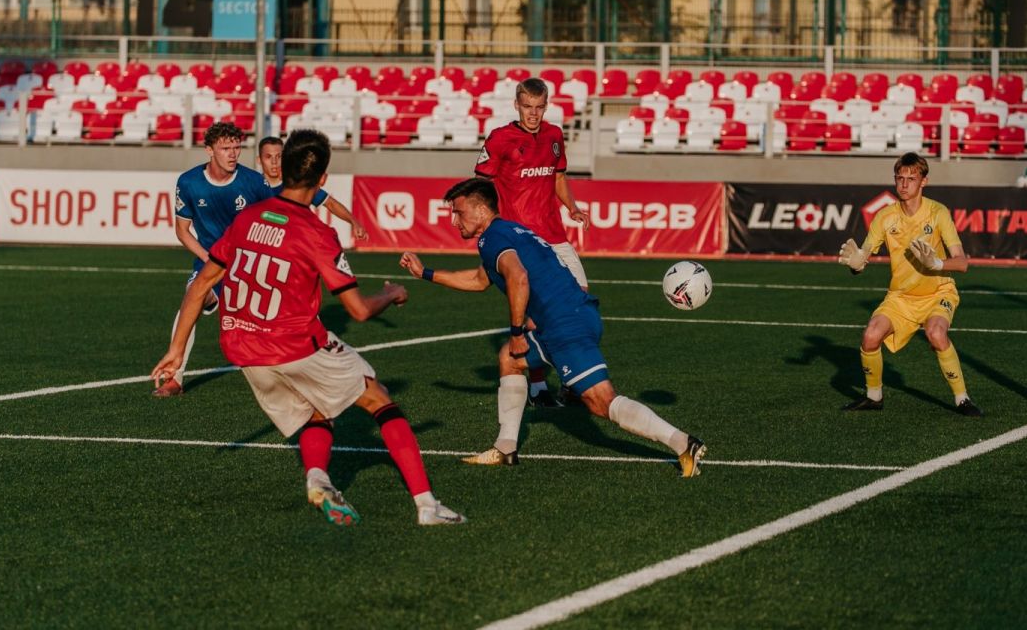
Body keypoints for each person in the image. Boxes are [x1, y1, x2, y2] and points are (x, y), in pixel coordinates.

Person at [151, 129, 465, 526]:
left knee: (318, 411)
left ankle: (318, 478)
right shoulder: (317, 233)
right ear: (323, 178)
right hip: (295, 344)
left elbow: (200, 285)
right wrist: (391, 294)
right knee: (380, 400)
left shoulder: (247, 218)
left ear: (281, 169)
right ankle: (427, 505)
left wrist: (176, 350)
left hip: (244, 350)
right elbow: (358, 310)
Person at [399, 177, 706, 477]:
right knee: (509, 359)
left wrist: (517, 333)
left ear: (481, 210)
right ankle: (505, 448)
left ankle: (683, 443)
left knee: (601, 401)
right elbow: (479, 280)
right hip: (571, 316)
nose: (454, 221)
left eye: (458, 212)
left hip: (565, 324)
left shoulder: (491, 238)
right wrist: (425, 273)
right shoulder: (509, 231)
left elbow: (518, 278)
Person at [156, 124, 347, 397]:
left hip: (250, 263)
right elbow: (182, 231)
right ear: (209, 150)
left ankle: (317, 364)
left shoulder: (254, 182)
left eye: (236, 148)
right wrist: (211, 259)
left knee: (287, 311)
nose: (233, 154)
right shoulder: (188, 182)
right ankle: (173, 377)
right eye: (226, 148)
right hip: (211, 261)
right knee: (192, 299)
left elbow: (279, 214)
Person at [837, 152, 983, 416]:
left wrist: (936, 264)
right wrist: (856, 264)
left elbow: (962, 263)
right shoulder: (885, 217)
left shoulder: (938, 212)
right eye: (899, 178)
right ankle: (873, 397)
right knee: (870, 336)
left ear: (924, 181)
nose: (904, 184)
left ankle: (962, 399)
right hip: (901, 297)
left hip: (937, 292)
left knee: (936, 334)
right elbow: (863, 256)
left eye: (911, 179)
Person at [475, 77, 589, 408]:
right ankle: (539, 387)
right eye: (527, 107)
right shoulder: (500, 139)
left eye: (539, 107)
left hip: (555, 235)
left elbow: (558, 177)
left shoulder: (554, 135)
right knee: (536, 315)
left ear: (546, 106)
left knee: (581, 304)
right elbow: (481, 184)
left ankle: (569, 379)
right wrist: (491, 226)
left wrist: (572, 207)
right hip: (522, 240)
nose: (533, 114)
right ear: (517, 105)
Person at [258, 135, 369, 241]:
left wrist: (354, 222)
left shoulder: (298, 183)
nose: (274, 162)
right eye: (268, 157)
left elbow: (330, 203)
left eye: (279, 156)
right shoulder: (253, 185)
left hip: (293, 245)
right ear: (259, 160)